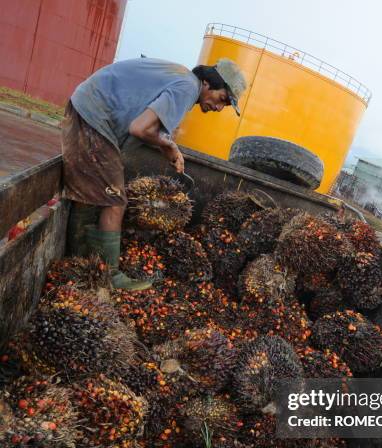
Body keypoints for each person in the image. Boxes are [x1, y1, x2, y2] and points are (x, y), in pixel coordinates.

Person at [62, 57, 247, 291]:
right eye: (222, 99)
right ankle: (108, 276)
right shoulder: (188, 87)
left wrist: (166, 142)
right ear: (208, 83)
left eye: (226, 106)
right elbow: (139, 128)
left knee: (93, 196)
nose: (219, 108)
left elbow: (147, 125)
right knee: (116, 200)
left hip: (88, 108)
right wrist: (168, 146)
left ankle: (79, 263)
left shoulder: (182, 79)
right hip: (94, 115)